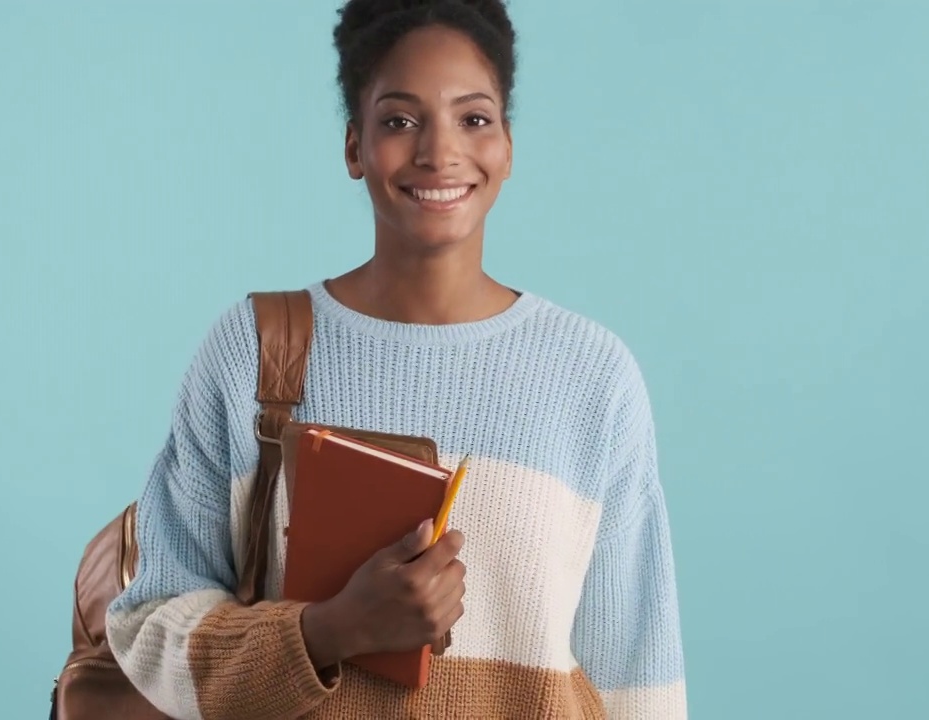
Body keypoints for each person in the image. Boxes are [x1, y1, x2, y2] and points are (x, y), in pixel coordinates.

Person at [105, 0, 687, 717]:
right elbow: (148, 629)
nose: (439, 152)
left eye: (474, 118)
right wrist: (332, 630)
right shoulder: (253, 352)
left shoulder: (594, 376)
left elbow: (636, 678)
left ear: (507, 145)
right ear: (355, 147)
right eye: (400, 120)